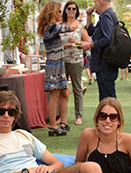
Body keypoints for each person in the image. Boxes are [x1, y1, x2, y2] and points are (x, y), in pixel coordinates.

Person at [37, 1, 77, 136]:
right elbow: (71, 27)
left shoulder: (50, 28)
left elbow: (53, 47)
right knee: (54, 95)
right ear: (53, 12)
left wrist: (65, 46)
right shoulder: (52, 27)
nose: (61, 13)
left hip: (57, 63)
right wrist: (80, 18)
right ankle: (53, 126)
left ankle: (62, 122)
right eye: (59, 11)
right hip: (54, 65)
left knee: (65, 93)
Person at [81, 0, 119, 100]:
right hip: (106, 62)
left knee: (107, 97)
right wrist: (89, 16)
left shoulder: (106, 16)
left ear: (100, 2)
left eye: (94, 2)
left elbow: (107, 39)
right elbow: (91, 32)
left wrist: (90, 45)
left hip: (105, 63)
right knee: (107, 95)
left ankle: (110, 115)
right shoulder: (108, 15)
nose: (94, 6)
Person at [61, 1, 90, 125]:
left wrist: (77, 42)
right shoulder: (61, 25)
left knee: (77, 89)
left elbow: (87, 44)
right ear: (65, 10)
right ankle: (62, 117)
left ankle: (79, 116)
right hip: (61, 60)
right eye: (69, 8)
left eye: (74, 9)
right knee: (62, 89)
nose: (71, 10)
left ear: (76, 11)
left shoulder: (80, 26)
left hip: (76, 60)